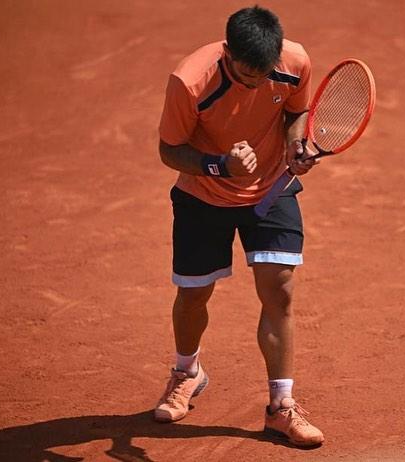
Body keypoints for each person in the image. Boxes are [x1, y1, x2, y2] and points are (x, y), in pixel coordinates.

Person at [155, 5, 323, 447]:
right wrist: (219, 165)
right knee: (193, 294)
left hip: (271, 188)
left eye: (263, 75)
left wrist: (294, 148)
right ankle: (187, 372)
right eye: (247, 76)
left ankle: (281, 407)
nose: (255, 85)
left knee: (280, 289)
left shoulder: (294, 62)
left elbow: (295, 112)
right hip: (203, 195)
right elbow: (169, 150)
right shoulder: (189, 80)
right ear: (227, 51)